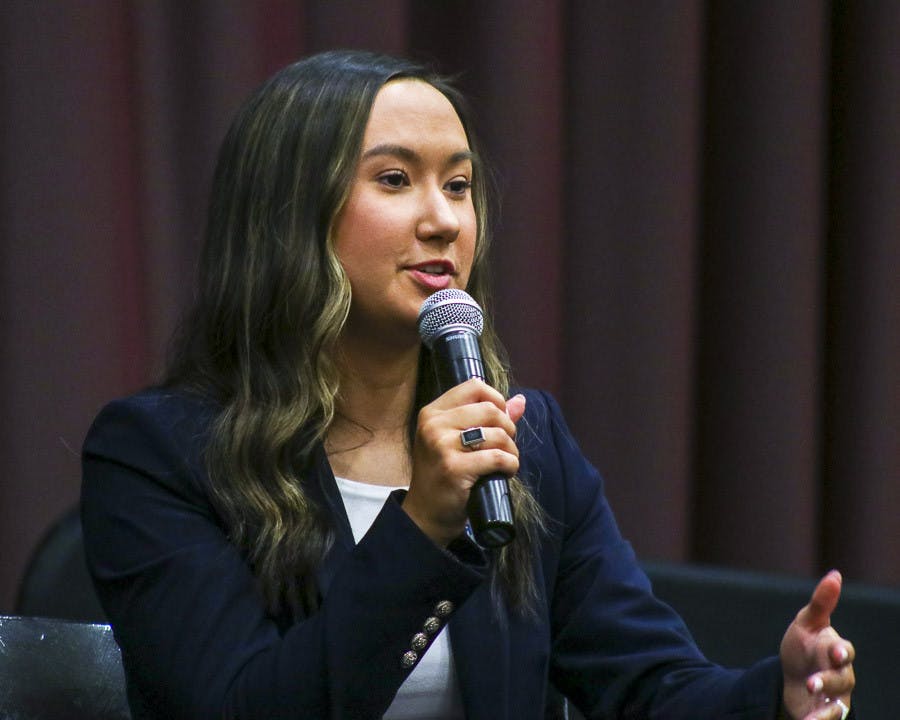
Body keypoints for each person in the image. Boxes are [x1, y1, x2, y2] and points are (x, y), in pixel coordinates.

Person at [81, 49, 856, 720]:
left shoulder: (524, 438)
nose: (444, 219)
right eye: (394, 179)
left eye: (459, 185)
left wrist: (777, 697)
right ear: (289, 217)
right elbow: (240, 705)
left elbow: (650, 687)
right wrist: (421, 529)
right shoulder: (160, 455)